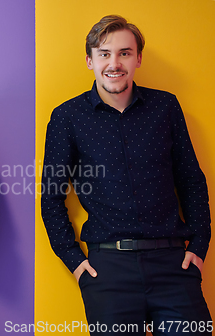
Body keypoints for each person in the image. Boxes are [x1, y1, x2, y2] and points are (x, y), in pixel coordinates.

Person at [41, 15, 212, 335]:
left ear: (138, 58)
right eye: (104, 53)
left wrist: (199, 246)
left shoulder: (166, 107)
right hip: (108, 273)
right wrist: (75, 263)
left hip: (174, 266)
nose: (114, 63)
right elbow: (51, 196)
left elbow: (191, 179)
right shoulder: (67, 117)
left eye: (124, 53)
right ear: (89, 60)